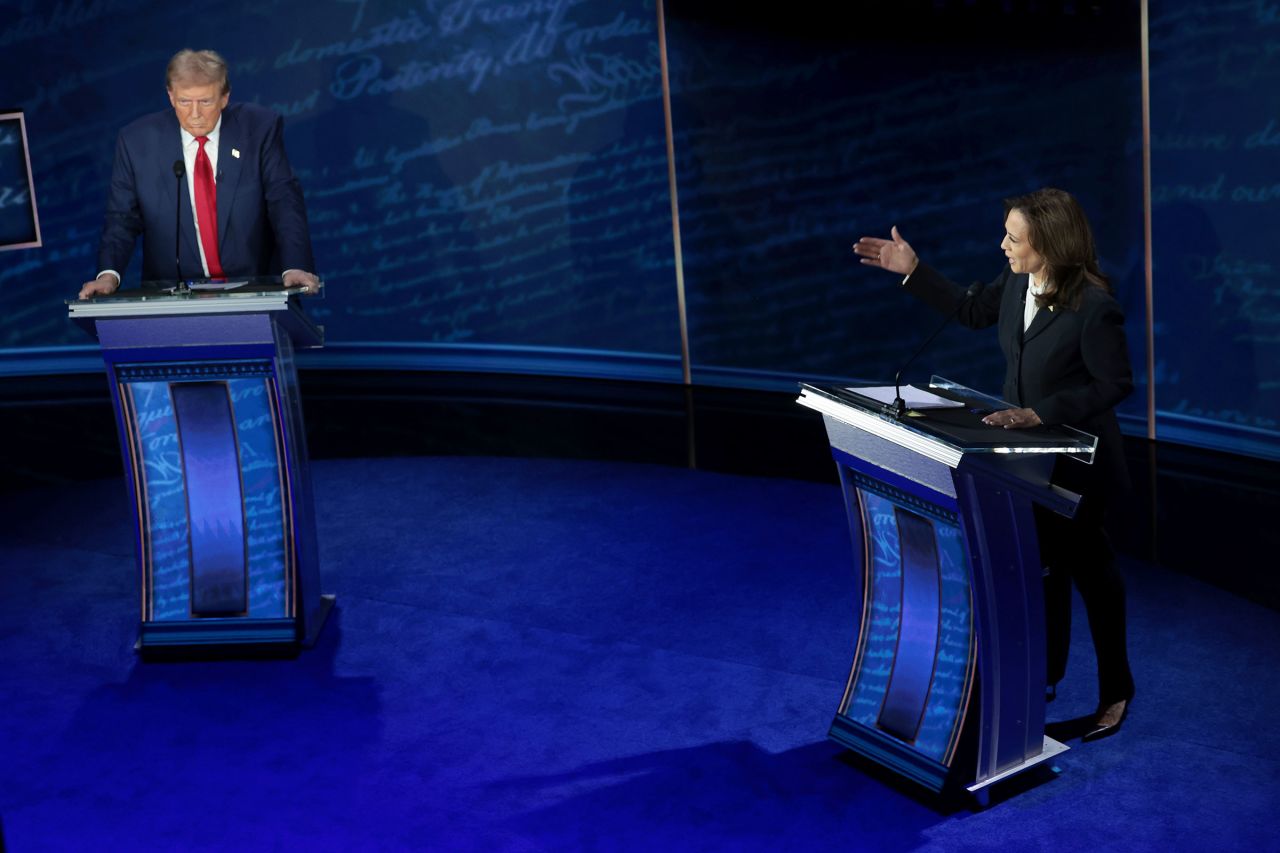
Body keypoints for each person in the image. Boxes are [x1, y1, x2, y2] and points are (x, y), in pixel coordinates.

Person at [853, 187, 1135, 741]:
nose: (1002, 244)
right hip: (1024, 462)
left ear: (1048, 244)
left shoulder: (1094, 306)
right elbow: (972, 309)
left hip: (1077, 465)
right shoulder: (1014, 283)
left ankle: (1117, 691)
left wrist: (1041, 413)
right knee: (1040, 569)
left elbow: (1115, 384)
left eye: (1013, 237)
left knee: (1094, 578)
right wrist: (914, 271)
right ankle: (1044, 676)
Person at [78, 49, 318, 299]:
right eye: (184, 102)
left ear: (225, 97)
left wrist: (296, 266)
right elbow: (122, 219)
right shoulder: (137, 142)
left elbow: (284, 203)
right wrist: (108, 275)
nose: (195, 114)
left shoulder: (259, 130)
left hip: (253, 289)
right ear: (171, 97)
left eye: (205, 101)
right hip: (171, 296)